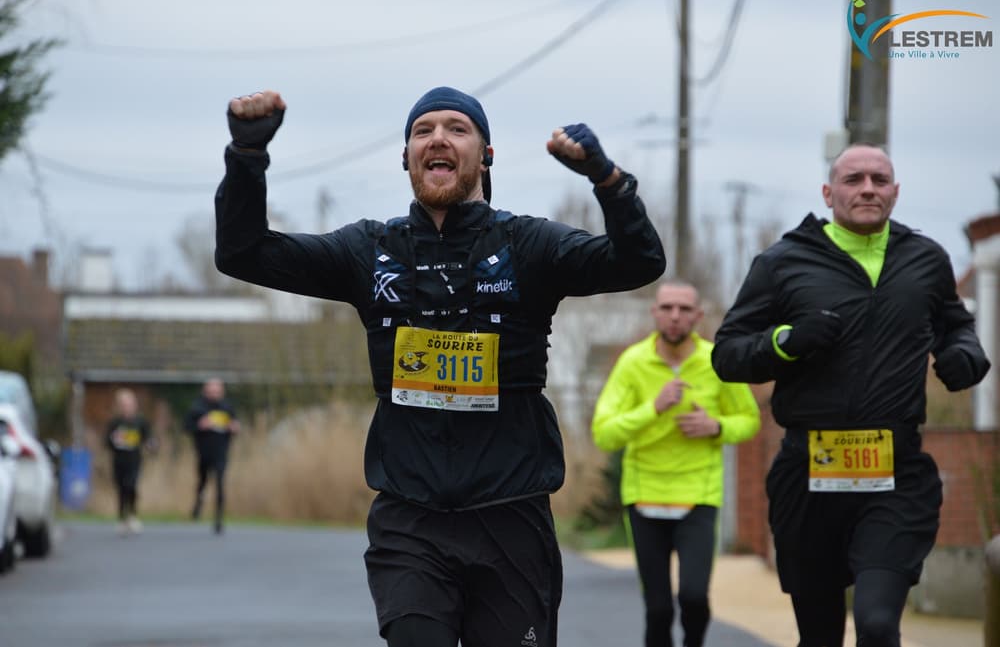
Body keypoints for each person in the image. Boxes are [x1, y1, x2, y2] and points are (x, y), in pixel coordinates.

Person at [214, 85, 666, 647]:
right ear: (406, 157)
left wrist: (608, 180)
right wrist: (247, 158)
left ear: (486, 155)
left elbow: (639, 261)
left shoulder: (527, 245)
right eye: (423, 130)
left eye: (457, 128)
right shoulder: (369, 250)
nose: (438, 138)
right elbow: (242, 253)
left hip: (511, 519)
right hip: (411, 521)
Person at [710, 143, 990, 647]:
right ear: (828, 191)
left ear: (895, 192)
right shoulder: (783, 263)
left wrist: (964, 355)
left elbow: (957, 327)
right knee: (819, 636)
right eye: (854, 179)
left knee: (878, 624)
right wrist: (786, 341)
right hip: (809, 472)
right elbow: (727, 354)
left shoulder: (925, 259)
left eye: (879, 181)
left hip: (896, 472)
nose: (867, 189)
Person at [591, 280, 760, 647]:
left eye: (684, 309)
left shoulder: (715, 361)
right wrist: (654, 407)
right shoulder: (633, 363)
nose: (675, 316)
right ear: (654, 312)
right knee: (658, 610)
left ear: (698, 316)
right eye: (667, 308)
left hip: (698, 494)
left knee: (694, 597)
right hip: (644, 494)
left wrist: (715, 426)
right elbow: (605, 433)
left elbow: (749, 421)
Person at [185, 378, 240, 534]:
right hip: (204, 453)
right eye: (212, 391)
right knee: (202, 482)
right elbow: (187, 427)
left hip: (221, 452)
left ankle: (218, 519)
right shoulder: (198, 408)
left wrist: (234, 427)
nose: (215, 394)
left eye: (217, 391)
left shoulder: (227, 408)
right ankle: (198, 503)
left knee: (220, 484)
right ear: (205, 391)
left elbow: (235, 425)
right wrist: (200, 425)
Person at [105, 388, 152, 535]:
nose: (127, 407)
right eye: (124, 404)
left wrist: (152, 445)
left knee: (131, 486)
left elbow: (148, 439)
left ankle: (132, 515)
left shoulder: (140, 422)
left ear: (135, 405)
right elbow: (107, 442)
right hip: (119, 461)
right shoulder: (115, 423)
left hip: (135, 460)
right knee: (121, 489)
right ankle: (121, 518)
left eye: (130, 404)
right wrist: (115, 440)